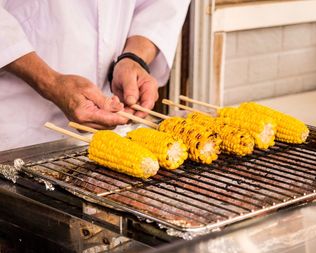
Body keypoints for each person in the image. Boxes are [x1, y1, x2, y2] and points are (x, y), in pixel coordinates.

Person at [0, 1, 190, 151]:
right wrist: (50, 81)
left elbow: (162, 5)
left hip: (109, 127)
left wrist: (135, 57)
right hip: (17, 123)